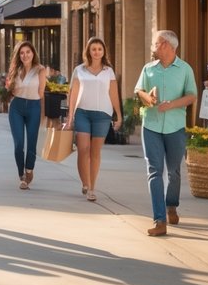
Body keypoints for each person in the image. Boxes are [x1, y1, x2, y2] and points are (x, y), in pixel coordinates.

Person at [134, 30, 198, 237]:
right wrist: (147, 97)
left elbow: (191, 96)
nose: (152, 46)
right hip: (151, 126)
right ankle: (159, 220)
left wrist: (172, 105)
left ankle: (171, 205)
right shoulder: (148, 69)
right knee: (154, 171)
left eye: (154, 43)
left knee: (174, 172)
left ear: (165, 45)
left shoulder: (185, 69)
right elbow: (138, 91)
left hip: (175, 127)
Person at [66, 37, 121, 202]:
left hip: (103, 115)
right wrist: (70, 116)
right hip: (82, 112)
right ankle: (85, 183)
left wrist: (118, 114)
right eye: (93, 49)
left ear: (103, 52)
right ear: (88, 52)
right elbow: (73, 94)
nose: (97, 52)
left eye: (99, 49)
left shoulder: (108, 71)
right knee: (83, 149)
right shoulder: (80, 70)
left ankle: (92, 188)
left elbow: (113, 94)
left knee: (95, 152)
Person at [5, 41, 47, 190]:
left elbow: (41, 93)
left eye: (28, 52)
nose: (25, 55)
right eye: (22, 53)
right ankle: (21, 176)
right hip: (16, 107)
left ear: (33, 53)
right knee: (18, 144)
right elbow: (11, 90)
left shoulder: (40, 70)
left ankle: (29, 169)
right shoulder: (15, 70)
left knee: (31, 143)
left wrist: (43, 114)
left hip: (34, 107)